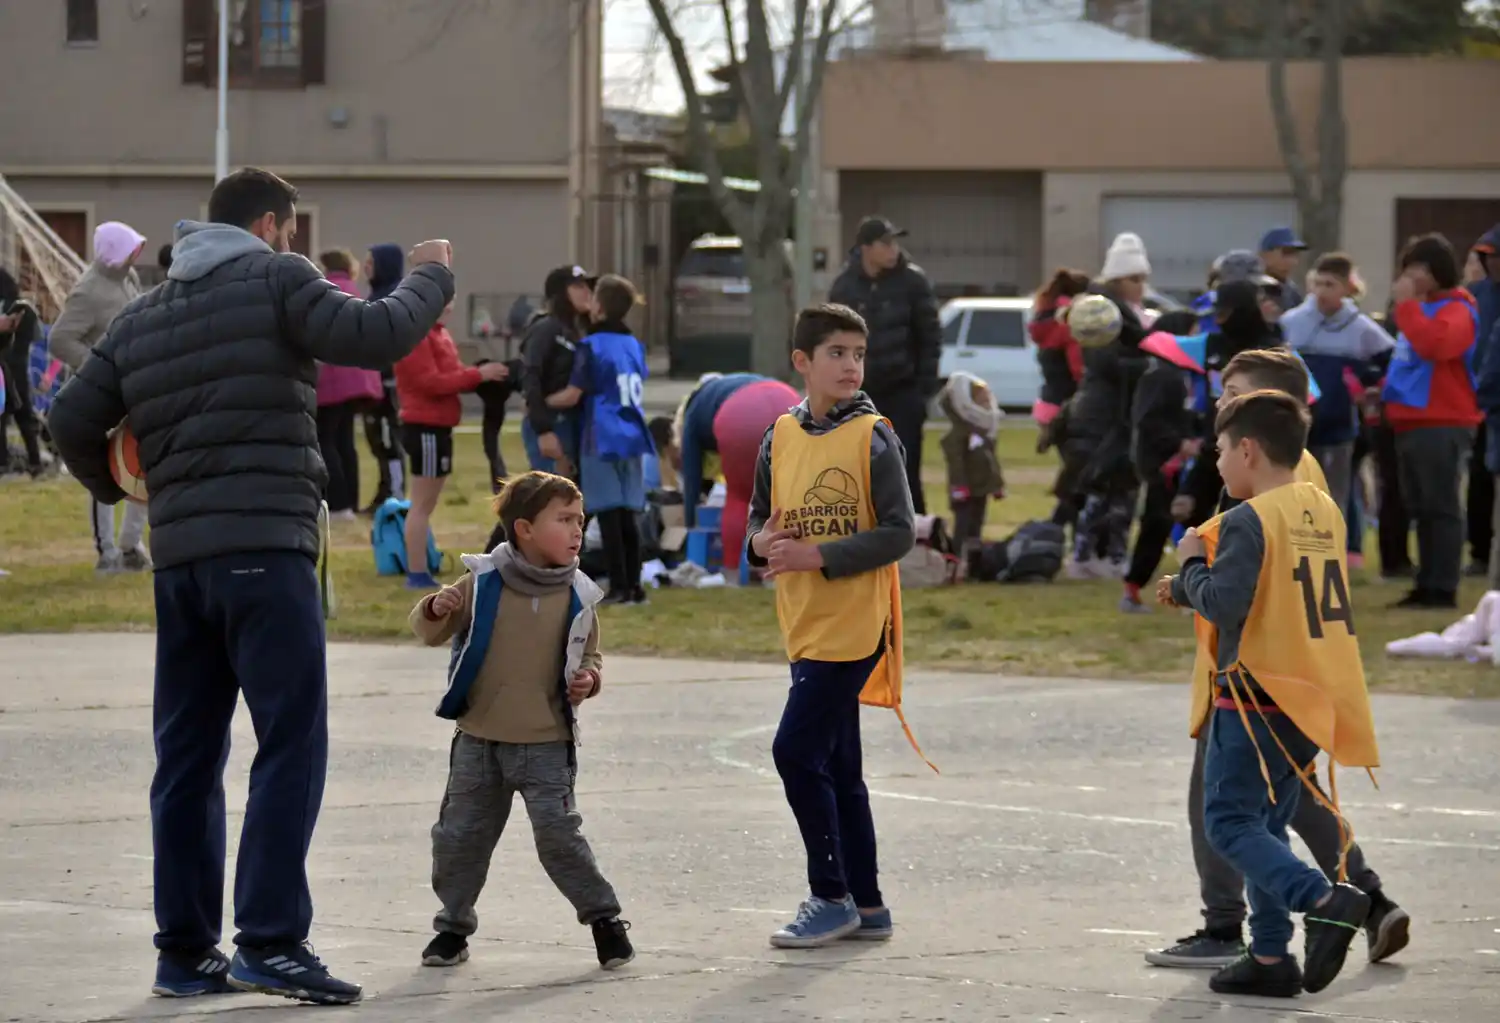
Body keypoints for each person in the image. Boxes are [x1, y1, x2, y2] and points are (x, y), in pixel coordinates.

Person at [46, 167, 455, 1005]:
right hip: (265, 550)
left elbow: (67, 420)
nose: (295, 243)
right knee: (290, 741)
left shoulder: (144, 312)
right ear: (271, 225)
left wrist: (124, 483)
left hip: (182, 562)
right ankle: (270, 940)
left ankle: (185, 952)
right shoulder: (277, 277)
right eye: (292, 229)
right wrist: (433, 276)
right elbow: (374, 335)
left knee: (188, 757)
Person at [1146, 347, 1407, 976]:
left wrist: (1188, 575)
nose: (1220, 405)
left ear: (1257, 434)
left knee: (1228, 816)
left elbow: (1238, 593)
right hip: (1301, 677)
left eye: (1232, 394)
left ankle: (1292, 909)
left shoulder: (1271, 495)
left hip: (1256, 678)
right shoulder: (1314, 493)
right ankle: (1277, 946)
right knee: (1281, 810)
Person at [409, 470, 635, 973]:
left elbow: (591, 656)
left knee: (559, 837)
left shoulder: (580, 594)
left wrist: (589, 681)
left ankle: (604, 921)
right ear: (524, 529)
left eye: (580, 520)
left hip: (547, 743)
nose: (578, 530)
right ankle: (451, 928)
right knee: (459, 838)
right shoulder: (483, 580)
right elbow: (429, 630)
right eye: (564, 520)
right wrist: (436, 605)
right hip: (479, 741)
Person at [744, 303, 917, 948]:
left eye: (858, 354)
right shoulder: (778, 435)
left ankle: (829, 894)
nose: (850, 365)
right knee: (840, 768)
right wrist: (762, 547)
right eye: (836, 353)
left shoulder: (873, 436)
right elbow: (759, 526)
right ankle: (867, 905)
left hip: (853, 626)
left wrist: (820, 556)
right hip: (803, 622)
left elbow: (899, 532)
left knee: (793, 752)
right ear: (802, 362)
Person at [1384, 233, 1481, 610]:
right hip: (1410, 420)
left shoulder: (1458, 308)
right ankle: (1425, 582)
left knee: (1440, 506)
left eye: (1420, 268)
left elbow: (1436, 346)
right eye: (1408, 268)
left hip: (1443, 419)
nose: (1412, 277)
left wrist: (1406, 307)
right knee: (1420, 507)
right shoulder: (1419, 309)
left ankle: (1443, 586)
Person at [48, 220, 152, 572]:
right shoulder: (87, 291)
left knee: (143, 465)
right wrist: (96, 368)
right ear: (115, 253)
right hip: (102, 396)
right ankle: (106, 552)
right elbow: (60, 339)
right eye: (132, 248)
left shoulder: (130, 279)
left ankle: (130, 546)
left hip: (136, 389)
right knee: (105, 473)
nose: (138, 253)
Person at [545, 275, 654, 604]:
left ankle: (619, 586)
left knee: (608, 513)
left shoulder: (591, 345)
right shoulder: (635, 345)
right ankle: (635, 586)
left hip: (602, 435)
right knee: (628, 514)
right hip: (634, 433)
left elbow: (574, 393)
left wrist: (542, 401)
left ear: (600, 306)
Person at [826, 216, 941, 514]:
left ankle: (915, 536)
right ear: (866, 248)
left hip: (904, 391)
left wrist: (923, 391)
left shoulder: (913, 282)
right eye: (885, 243)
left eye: (895, 243)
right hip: (859, 395)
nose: (893, 250)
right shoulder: (845, 287)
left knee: (905, 467)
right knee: (858, 469)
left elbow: (930, 338)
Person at [395, 302, 507, 589]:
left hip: (439, 426)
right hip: (425, 426)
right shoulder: (417, 337)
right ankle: (416, 572)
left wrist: (479, 375)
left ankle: (420, 563)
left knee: (427, 503)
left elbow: (452, 375)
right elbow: (430, 382)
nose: (449, 306)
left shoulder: (439, 334)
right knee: (421, 503)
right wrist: (477, 375)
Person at [1063, 232, 1153, 579]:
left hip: (1124, 411)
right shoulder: (1098, 311)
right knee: (1101, 487)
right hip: (1105, 413)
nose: (1140, 286)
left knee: (1123, 489)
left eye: (1143, 279)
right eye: (1134, 279)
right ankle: (1087, 555)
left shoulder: (1135, 312)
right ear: (1116, 279)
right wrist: (1149, 363)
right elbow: (1104, 361)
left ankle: (1112, 554)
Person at [1281, 252, 1393, 515]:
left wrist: (1368, 388)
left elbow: (1391, 362)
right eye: (1317, 283)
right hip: (1296, 425)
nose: (1322, 291)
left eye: (1330, 285)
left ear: (1347, 288)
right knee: (1294, 497)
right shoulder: (1291, 322)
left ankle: (1334, 552)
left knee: (1333, 498)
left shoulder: (1361, 328)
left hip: (1340, 427)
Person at [1174, 280, 1284, 529]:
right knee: (1192, 520)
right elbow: (1160, 344)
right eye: (1217, 314)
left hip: (1256, 452)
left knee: (1238, 524)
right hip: (1215, 445)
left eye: (1225, 314)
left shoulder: (1273, 353)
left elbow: (1306, 397)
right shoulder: (1211, 345)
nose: (1220, 320)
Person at [663, 372, 801, 567]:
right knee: (787, 497)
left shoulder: (693, 410)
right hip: (788, 399)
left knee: (738, 497)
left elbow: (691, 475)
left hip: (742, 413)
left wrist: (690, 523)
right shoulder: (734, 382)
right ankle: (787, 567)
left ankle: (732, 572)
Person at [1123, 311, 1203, 612]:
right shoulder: (1161, 375)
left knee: (1193, 523)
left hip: (1179, 461)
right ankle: (1132, 589)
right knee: (1157, 524)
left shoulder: (1180, 375)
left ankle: (1191, 592)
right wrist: (1178, 443)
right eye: (1192, 334)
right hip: (1163, 463)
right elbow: (1148, 420)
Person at [314, 250, 384, 519]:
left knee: (325, 440)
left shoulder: (325, 291)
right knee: (345, 441)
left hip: (334, 379)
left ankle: (338, 504)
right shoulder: (354, 291)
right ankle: (351, 504)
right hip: (359, 379)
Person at [522, 264, 594, 475]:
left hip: (572, 421)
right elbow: (531, 376)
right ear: (560, 293)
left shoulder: (577, 331)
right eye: (578, 286)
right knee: (553, 495)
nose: (586, 292)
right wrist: (543, 429)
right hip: (552, 422)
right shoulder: (546, 328)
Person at [359, 243, 409, 512]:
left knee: (389, 441)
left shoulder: (393, 298)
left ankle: (395, 495)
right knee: (377, 440)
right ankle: (384, 491)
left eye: (371, 262)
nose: (366, 267)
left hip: (389, 386)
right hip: (374, 383)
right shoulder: (374, 295)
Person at [938, 371, 1004, 557]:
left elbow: (992, 461)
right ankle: (958, 556)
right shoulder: (958, 435)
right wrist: (958, 486)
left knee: (977, 523)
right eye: (980, 400)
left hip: (981, 488)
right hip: (965, 491)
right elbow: (956, 465)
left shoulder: (986, 431)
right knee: (963, 523)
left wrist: (997, 485)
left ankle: (973, 557)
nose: (986, 404)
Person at [1467, 226, 1500, 580]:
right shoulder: (1476, 296)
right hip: (1477, 399)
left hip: (1491, 398)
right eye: (1488, 256)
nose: (1493, 263)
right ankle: (1478, 550)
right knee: (1479, 478)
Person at [0, 269, 44, 479]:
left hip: (7, 370)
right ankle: (35, 461)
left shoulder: (12, 313)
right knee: (25, 416)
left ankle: (5, 461)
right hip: (18, 369)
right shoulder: (26, 312)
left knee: (8, 416)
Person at [1257, 226, 1308, 312]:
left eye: (1295, 255)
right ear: (1265, 255)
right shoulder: (1253, 289)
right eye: (1287, 253)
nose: (1293, 261)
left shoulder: (1292, 292)